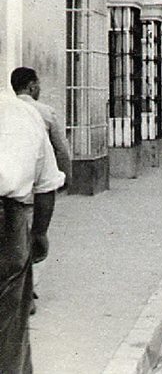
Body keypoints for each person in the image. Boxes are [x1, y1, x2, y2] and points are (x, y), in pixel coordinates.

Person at [0, 92, 64, 373]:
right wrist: (39, 233)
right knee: (10, 318)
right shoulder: (25, 113)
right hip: (9, 221)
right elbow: (47, 185)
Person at [11, 67, 72, 315]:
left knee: (16, 240)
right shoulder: (45, 113)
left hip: (14, 188)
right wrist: (66, 177)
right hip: (39, 187)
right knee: (37, 237)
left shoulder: (9, 112)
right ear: (33, 86)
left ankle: (22, 292)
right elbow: (61, 148)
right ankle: (29, 290)